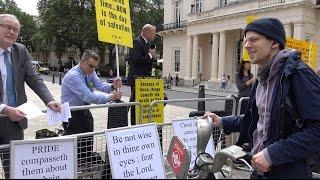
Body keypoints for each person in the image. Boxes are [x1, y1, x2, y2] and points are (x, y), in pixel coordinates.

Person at [205, 18, 320, 178]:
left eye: (254, 39)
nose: (246, 45)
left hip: (288, 173)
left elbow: (316, 131)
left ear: (274, 42)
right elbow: (258, 120)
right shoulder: (261, 78)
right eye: (245, 41)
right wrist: (222, 121)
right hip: (259, 171)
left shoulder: (297, 73)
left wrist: (272, 154)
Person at [0, 14, 61, 178]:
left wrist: (49, 100)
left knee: (14, 170)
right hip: (4, 112)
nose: (12, 32)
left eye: (16, 30)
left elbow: (34, 78)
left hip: (14, 121)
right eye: (7, 27)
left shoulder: (20, 50)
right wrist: (4, 108)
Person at [61, 49, 121, 162]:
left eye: (95, 67)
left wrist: (112, 86)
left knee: (88, 142)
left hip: (84, 110)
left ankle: (86, 166)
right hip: (71, 113)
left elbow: (100, 85)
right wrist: (111, 97)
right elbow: (89, 96)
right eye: (90, 66)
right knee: (77, 147)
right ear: (82, 61)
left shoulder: (89, 71)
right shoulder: (74, 76)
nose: (93, 69)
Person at [128, 24, 157, 125]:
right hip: (137, 79)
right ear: (147, 32)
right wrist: (150, 55)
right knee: (135, 104)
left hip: (145, 80)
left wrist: (153, 57)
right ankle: (134, 125)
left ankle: (141, 123)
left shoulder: (147, 44)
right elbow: (136, 60)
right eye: (153, 33)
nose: (154, 35)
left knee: (143, 104)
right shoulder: (137, 42)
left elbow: (147, 61)